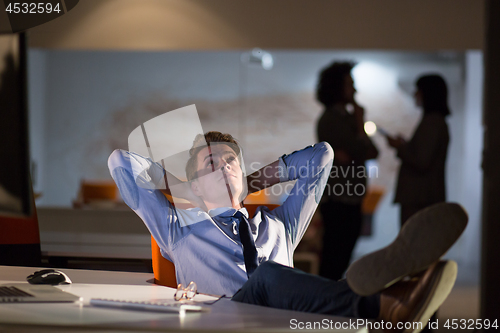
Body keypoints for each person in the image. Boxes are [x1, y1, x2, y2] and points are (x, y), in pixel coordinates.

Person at [108, 130, 467, 332]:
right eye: (211, 163)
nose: (224, 165)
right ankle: (385, 303)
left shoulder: (280, 223)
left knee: (302, 285)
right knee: (266, 278)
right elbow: (121, 163)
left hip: (289, 323)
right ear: (196, 186)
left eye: (230, 160)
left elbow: (321, 156)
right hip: (223, 322)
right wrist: (185, 188)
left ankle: (395, 293)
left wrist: (252, 182)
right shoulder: (178, 229)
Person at [316, 61, 379, 281]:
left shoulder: (348, 120)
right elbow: (360, 149)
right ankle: (322, 308)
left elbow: (371, 152)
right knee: (334, 258)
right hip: (338, 197)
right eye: (350, 84)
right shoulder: (330, 120)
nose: (355, 90)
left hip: (352, 196)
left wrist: (356, 143)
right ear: (337, 87)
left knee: (343, 256)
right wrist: (360, 125)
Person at [386, 74, 450, 226]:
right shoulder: (435, 122)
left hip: (420, 197)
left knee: (414, 244)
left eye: (418, 90)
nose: (415, 94)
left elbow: (422, 161)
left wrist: (400, 147)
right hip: (423, 196)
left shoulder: (432, 122)